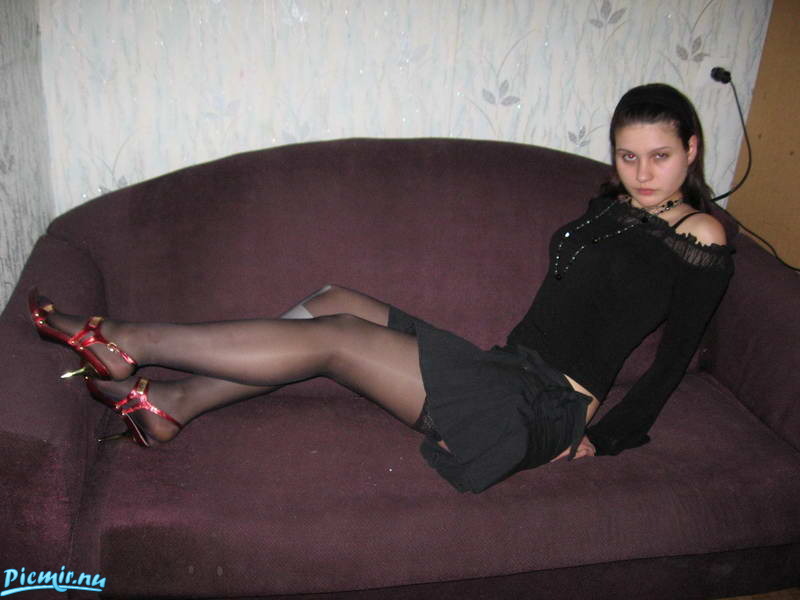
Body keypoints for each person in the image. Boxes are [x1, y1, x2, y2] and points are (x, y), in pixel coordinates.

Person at [27, 83, 733, 494]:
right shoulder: (611, 209)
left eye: (660, 156)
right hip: (507, 370)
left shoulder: (701, 235)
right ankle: (173, 405)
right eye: (628, 155)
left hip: (547, 408)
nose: (643, 173)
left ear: (692, 151)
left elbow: (672, 361)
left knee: (337, 340)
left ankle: (126, 338)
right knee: (335, 298)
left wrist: (601, 441)